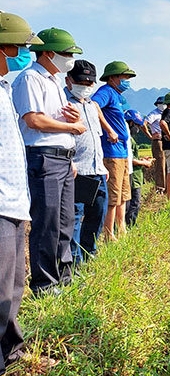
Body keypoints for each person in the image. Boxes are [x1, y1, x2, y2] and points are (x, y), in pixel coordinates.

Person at [11, 26, 85, 295]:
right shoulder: (31, 79)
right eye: (67, 54)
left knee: (65, 221)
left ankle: (64, 275)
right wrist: (72, 129)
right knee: (47, 222)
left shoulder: (55, 81)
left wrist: (72, 125)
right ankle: (44, 284)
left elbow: (56, 118)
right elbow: (34, 120)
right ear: (48, 53)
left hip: (63, 159)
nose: (70, 60)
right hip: (44, 158)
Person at [0, 11, 44, 374]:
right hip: (0, 203)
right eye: (18, 46)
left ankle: (11, 352)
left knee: (13, 286)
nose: (22, 53)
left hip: (14, 201)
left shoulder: (3, 89)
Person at [65, 59, 110, 264]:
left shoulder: (92, 106)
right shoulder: (63, 103)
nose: (85, 87)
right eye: (81, 83)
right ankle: (74, 263)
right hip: (77, 170)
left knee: (97, 215)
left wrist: (102, 164)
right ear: (69, 81)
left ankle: (89, 254)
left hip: (97, 169)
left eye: (89, 84)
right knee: (75, 218)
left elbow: (95, 137)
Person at [92, 61, 136, 241]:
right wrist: (109, 129)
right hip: (111, 153)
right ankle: (108, 234)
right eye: (124, 77)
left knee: (123, 194)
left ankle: (121, 228)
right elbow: (93, 106)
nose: (127, 81)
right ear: (112, 78)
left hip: (122, 152)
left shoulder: (117, 96)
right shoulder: (106, 92)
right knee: (113, 195)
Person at [124, 110, 153, 226]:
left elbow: (133, 156)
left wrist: (142, 159)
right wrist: (144, 163)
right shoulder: (128, 140)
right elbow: (129, 159)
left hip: (136, 175)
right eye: (136, 125)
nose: (137, 128)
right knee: (133, 202)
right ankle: (129, 224)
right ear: (130, 123)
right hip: (133, 176)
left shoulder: (131, 139)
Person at [145, 96, 166, 194]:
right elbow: (144, 123)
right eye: (161, 104)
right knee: (160, 165)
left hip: (168, 140)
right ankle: (160, 187)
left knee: (168, 164)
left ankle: (168, 186)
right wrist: (150, 135)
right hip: (159, 140)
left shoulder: (168, 114)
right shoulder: (154, 114)